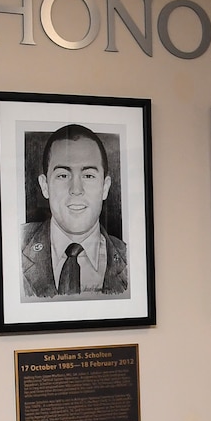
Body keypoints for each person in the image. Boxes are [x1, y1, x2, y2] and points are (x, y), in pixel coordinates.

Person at [20, 123, 128, 298]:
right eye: (63, 175)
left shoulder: (130, 258)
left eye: (88, 176)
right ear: (45, 186)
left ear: (105, 187)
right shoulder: (15, 246)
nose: (76, 189)